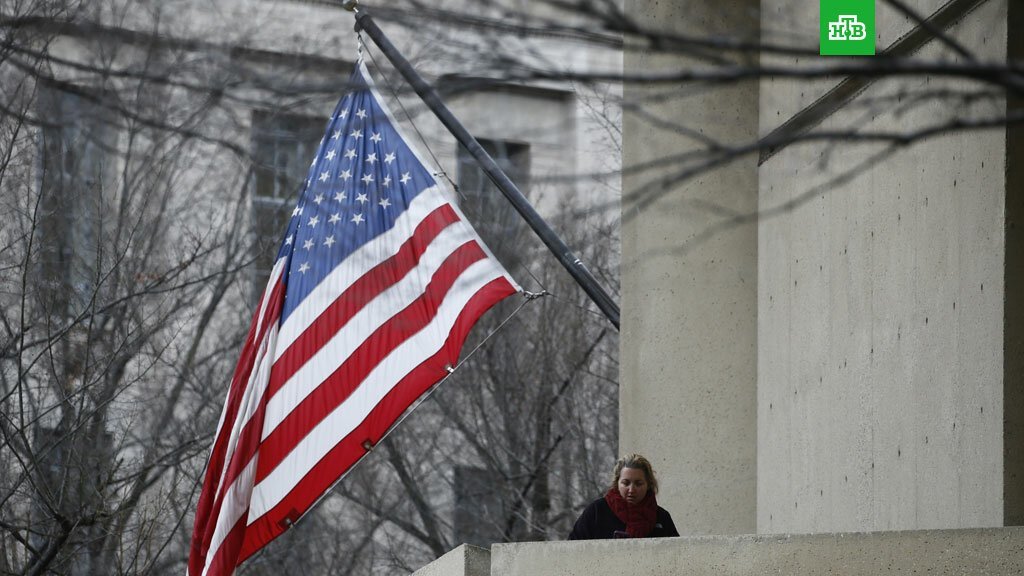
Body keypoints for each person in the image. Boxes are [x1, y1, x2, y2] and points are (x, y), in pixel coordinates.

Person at [568, 453, 679, 540]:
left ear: (648, 484)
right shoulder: (597, 512)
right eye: (626, 483)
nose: (631, 490)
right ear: (617, 483)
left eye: (638, 483)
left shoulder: (661, 517)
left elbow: (678, 554)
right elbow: (573, 548)